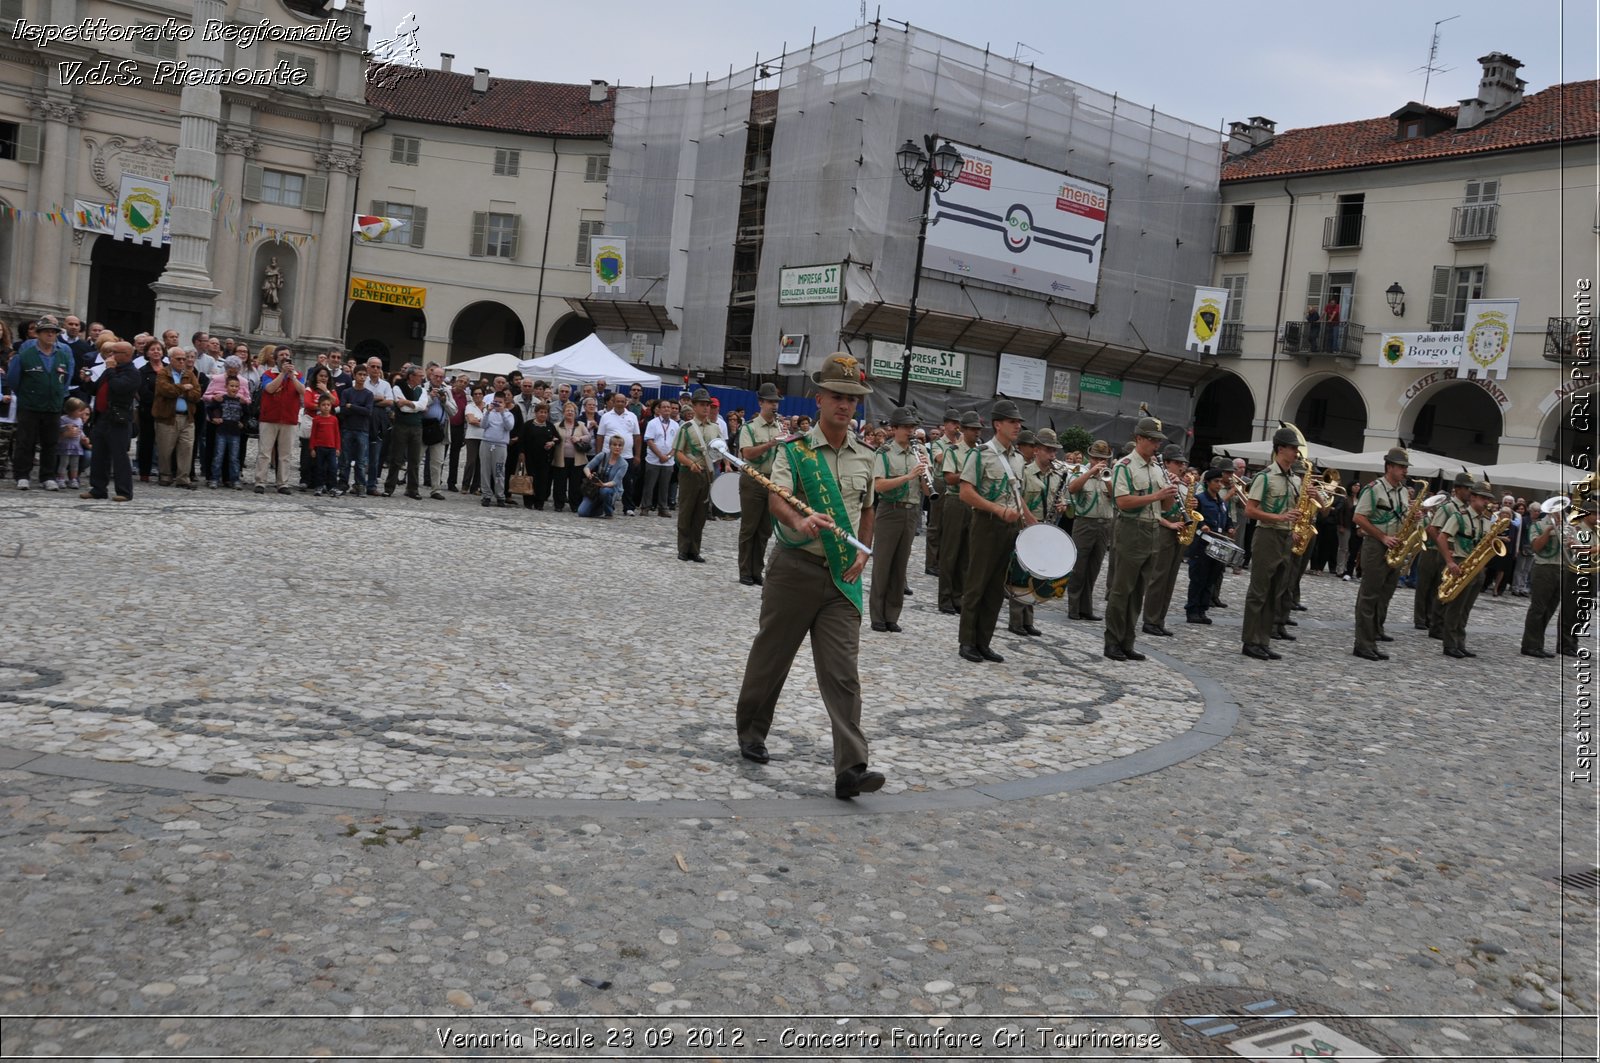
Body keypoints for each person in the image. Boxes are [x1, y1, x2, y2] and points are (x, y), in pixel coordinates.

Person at [731, 353, 883, 800]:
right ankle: (752, 730)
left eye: (852, 399)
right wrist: (799, 521)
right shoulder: (794, 450)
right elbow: (777, 498)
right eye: (837, 396)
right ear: (819, 399)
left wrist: (864, 553)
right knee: (772, 657)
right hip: (794, 570)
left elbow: (869, 509)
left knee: (843, 674)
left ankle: (852, 767)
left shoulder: (867, 457)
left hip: (841, 578)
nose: (845, 405)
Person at [957, 400, 1030, 663]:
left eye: (1018, 422)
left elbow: (1018, 496)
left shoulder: (1019, 459)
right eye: (1012, 421)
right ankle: (967, 641)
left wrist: (1031, 524)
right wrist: (997, 510)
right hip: (987, 524)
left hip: (1010, 527)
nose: (1017, 426)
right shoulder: (981, 454)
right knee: (977, 583)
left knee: (997, 587)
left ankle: (984, 641)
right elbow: (966, 493)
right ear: (997, 424)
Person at [1101, 417, 1178, 661]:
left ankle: (1127, 641)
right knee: (1122, 589)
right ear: (1139, 439)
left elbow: (1165, 507)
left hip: (1153, 528)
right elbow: (1123, 501)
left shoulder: (1157, 468)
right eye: (1153, 440)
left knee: (1138, 591)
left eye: (1159, 441)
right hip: (1131, 528)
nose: (1157, 445)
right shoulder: (1124, 466)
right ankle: (1112, 641)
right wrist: (1157, 495)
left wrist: (1171, 492)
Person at [1241, 427, 1305, 661]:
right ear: (1280, 449)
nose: (1297, 453)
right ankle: (1250, 641)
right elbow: (1250, 510)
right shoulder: (1265, 476)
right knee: (1259, 591)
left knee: (1275, 592)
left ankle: (1263, 640)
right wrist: (1279, 517)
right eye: (1293, 448)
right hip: (1267, 535)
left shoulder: (1295, 479)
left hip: (1286, 537)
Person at [868, 406, 929, 633]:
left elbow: (924, 488)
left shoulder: (919, 451)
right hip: (889, 510)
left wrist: (925, 473)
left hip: (911, 511)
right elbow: (879, 485)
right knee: (883, 564)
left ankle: (892, 615)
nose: (910, 431)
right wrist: (909, 475)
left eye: (912, 427)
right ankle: (877, 615)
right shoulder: (884, 453)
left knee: (900, 566)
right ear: (894, 429)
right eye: (905, 427)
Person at [1350, 447, 1412, 661]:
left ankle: (1373, 638)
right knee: (1369, 595)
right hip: (1376, 546)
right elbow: (1358, 517)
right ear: (1389, 467)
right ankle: (1363, 644)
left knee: (1384, 595)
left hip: (1396, 547)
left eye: (1405, 467)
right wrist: (1383, 537)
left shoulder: (1403, 491)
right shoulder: (1373, 488)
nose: (1405, 471)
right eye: (1401, 467)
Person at [1007, 428, 1062, 638]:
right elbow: (1017, 498)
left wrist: (1061, 506)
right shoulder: (1025, 472)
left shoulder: (1055, 476)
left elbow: (1053, 501)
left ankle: (1028, 619)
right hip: (1025, 527)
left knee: (1036, 574)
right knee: (1020, 574)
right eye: (1048, 450)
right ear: (1037, 450)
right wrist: (1030, 519)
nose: (1052, 455)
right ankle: (1016, 620)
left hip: (1044, 529)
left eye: (1054, 451)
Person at [7, 317, 71, 490]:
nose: (51, 334)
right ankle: (22, 475)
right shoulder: (24, 356)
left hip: (53, 405)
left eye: (54, 332)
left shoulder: (63, 355)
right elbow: (13, 380)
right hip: (30, 405)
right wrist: (28, 394)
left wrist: (57, 393)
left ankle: (47, 476)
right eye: (46, 331)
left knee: (50, 442)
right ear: (38, 334)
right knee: (25, 441)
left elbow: (66, 379)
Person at [1436, 481, 1499, 659]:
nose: (1487, 502)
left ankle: (1460, 642)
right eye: (1483, 498)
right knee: (1456, 606)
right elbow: (1442, 537)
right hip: (1461, 562)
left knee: (1466, 608)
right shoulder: (1459, 516)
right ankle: (1449, 644)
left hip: (1477, 565)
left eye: (1488, 499)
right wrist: (1449, 562)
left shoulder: (1486, 520)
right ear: (1473, 498)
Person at [1414, 471, 1475, 636]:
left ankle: (1434, 620)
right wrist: (1445, 548)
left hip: (1451, 552)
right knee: (1427, 587)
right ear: (1458, 489)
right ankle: (1424, 620)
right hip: (1438, 551)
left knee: (1439, 589)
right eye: (1467, 488)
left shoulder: (1465, 509)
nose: (1470, 492)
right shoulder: (1448, 507)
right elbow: (1432, 529)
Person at [79, 339, 139, 502]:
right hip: (101, 417)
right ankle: (98, 488)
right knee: (99, 454)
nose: (110, 356)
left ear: (126, 355)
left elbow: (118, 388)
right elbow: (96, 389)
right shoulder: (110, 370)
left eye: (114, 353)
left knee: (119, 455)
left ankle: (124, 491)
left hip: (118, 419)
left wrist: (111, 369)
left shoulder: (132, 372)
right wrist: (86, 381)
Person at [736, 383, 784, 585]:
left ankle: (757, 571)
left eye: (776, 402)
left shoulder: (779, 427)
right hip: (753, 478)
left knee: (765, 529)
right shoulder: (749, 427)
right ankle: (745, 570)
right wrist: (770, 444)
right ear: (761, 402)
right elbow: (747, 453)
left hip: (772, 480)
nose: (774, 406)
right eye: (771, 402)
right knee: (749, 528)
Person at [1066, 439, 1115, 621]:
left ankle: (1086, 608)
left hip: (1104, 525)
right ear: (1090, 457)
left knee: (1094, 568)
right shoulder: (1079, 472)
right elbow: (1072, 489)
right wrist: (1091, 472)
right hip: (1085, 523)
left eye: (1103, 458)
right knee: (1079, 567)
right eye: (1096, 458)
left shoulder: (1111, 474)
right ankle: (1073, 607)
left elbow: (1114, 497)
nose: (1100, 462)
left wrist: (1106, 478)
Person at [937, 411, 981, 614]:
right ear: (963, 430)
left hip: (974, 502)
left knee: (967, 554)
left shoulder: (982, 452)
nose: (976, 432)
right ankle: (945, 597)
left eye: (978, 429)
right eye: (972, 429)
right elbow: (948, 478)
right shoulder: (953, 451)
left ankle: (958, 596)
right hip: (955, 500)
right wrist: (970, 475)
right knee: (950, 552)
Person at [674, 389, 720, 562]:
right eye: (702, 404)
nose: (706, 408)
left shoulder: (715, 428)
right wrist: (690, 463)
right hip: (689, 473)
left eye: (708, 405)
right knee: (686, 510)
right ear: (693, 406)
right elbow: (677, 452)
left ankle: (695, 549)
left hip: (707, 472)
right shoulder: (686, 427)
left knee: (701, 513)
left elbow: (720, 450)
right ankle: (683, 548)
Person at [1520, 498, 1570, 657]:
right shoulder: (1538, 525)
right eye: (1556, 509)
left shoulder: (1566, 526)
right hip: (1544, 568)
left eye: (1561, 509)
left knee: (1549, 609)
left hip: (1561, 568)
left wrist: (1572, 541)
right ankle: (1529, 645)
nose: (1560, 512)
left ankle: (1538, 644)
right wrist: (1548, 531)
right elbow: (1535, 547)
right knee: (1538, 608)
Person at [1185, 468, 1233, 624]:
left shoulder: (1221, 502)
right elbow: (1194, 517)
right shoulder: (1199, 499)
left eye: (1220, 481)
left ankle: (1202, 609)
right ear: (1207, 482)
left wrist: (1230, 528)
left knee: (1210, 579)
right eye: (1216, 481)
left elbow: (1227, 518)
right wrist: (1203, 525)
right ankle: (1192, 610)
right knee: (1198, 578)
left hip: (1217, 544)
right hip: (1202, 543)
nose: (1219, 485)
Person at [152, 347, 202, 488]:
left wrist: (181, 391)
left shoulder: (190, 374)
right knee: (165, 448)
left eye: (183, 359)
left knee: (186, 448)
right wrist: (183, 388)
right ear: (170, 359)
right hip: (167, 417)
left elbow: (197, 394)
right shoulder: (163, 373)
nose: (182, 361)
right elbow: (165, 390)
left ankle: (183, 478)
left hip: (187, 417)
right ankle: (165, 475)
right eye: (178, 359)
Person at [254, 350, 303, 494]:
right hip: (269, 418)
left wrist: (292, 377)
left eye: (287, 355)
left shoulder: (298, 375)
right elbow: (269, 389)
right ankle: (260, 481)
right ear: (275, 358)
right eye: (282, 355)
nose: (285, 357)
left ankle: (283, 483)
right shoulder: (268, 374)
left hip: (289, 419)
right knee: (265, 452)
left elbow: (303, 392)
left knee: (285, 454)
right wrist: (282, 374)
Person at [924, 409, 959, 577]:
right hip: (940, 483)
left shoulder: (961, 443)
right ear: (945, 425)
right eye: (953, 423)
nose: (956, 427)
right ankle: (931, 563)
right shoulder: (939, 443)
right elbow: (940, 458)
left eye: (958, 424)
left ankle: (943, 561)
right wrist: (959, 450)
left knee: (949, 526)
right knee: (935, 525)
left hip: (955, 485)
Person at [384, 365, 426, 500]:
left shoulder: (422, 390)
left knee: (414, 460)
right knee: (396, 458)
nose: (422, 378)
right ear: (411, 376)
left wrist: (408, 403)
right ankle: (389, 487)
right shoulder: (398, 388)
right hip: (401, 425)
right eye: (420, 375)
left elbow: (423, 406)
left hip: (416, 427)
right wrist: (415, 405)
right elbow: (402, 409)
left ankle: (412, 489)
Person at [597, 390, 642, 515]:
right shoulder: (606, 417)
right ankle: (605, 505)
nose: (620, 404)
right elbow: (600, 436)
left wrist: (637, 455)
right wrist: (599, 454)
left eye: (622, 401)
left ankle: (628, 507)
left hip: (627, 455)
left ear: (626, 402)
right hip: (608, 454)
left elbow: (637, 437)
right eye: (617, 401)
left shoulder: (632, 416)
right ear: (613, 402)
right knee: (607, 480)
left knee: (628, 482)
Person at [337, 364, 375, 495]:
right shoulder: (347, 392)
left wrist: (351, 406)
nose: (362, 377)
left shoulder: (368, 394)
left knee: (361, 461)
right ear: (354, 375)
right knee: (345, 459)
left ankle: (360, 485)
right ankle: (343, 483)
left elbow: (368, 411)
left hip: (362, 429)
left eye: (364, 375)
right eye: (360, 374)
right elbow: (343, 410)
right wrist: (358, 408)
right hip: (348, 428)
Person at [421, 364, 457, 500]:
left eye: (441, 377)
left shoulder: (447, 391)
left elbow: (454, 411)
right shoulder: (423, 388)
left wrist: (444, 401)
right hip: (423, 427)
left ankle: (435, 489)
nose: (438, 378)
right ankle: (411, 487)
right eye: (436, 376)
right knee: (416, 459)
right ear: (430, 375)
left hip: (439, 429)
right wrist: (430, 397)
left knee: (437, 462)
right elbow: (419, 407)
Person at [206, 376, 249, 489]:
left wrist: (243, 423)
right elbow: (209, 408)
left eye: (236, 386)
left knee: (234, 457)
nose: (234, 388)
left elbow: (247, 413)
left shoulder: (241, 401)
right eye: (231, 386)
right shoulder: (221, 399)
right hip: (222, 431)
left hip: (235, 432)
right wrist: (213, 419)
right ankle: (214, 478)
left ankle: (234, 479)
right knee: (218, 455)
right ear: (226, 387)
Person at [642, 397, 679, 518]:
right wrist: (660, 455)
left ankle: (663, 508)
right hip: (653, 459)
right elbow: (649, 440)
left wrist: (668, 456)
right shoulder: (653, 423)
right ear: (659, 409)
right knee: (649, 485)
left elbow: (677, 443)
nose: (667, 409)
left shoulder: (675, 425)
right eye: (664, 407)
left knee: (665, 486)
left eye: (669, 407)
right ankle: (645, 507)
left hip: (668, 461)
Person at [577, 434, 630, 518]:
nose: (617, 447)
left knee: (605, 491)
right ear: (610, 446)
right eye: (614, 445)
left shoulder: (624, 464)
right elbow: (587, 467)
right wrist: (589, 475)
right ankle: (599, 508)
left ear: (622, 448)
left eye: (620, 445)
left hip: (611, 488)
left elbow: (615, 481)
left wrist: (603, 485)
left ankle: (609, 511)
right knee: (582, 513)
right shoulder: (602, 455)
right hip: (595, 488)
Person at [551, 401, 591, 512]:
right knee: (560, 483)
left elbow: (588, 437)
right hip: (561, 459)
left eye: (572, 411)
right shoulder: (557, 425)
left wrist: (579, 438)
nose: (570, 412)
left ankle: (575, 505)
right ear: (563, 412)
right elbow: (552, 437)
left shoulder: (581, 425)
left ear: (575, 413)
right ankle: (558, 504)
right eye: (567, 410)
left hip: (577, 460)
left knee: (575, 484)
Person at [478, 390, 514, 507]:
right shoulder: (489, 412)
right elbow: (483, 425)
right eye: (495, 402)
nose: (497, 404)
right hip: (486, 443)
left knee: (499, 471)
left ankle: (500, 495)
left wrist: (502, 412)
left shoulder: (508, 414)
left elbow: (509, 427)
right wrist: (488, 412)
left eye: (500, 402)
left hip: (500, 445)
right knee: (485, 471)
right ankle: (486, 495)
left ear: (504, 402)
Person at [309, 393, 342, 497]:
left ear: (331, 406)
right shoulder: (316, 419)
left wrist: (337, 448)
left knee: (333, 468)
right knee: (319, 468)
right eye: (323, 405)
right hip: (320, 447)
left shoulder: (334, 419)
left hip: (331, 448)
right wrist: (312, 448)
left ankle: (332, 487)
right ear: (319, 406)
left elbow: (337, 434)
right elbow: (313, 434)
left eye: (328, 405)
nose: (326, 407)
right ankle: (319, 486)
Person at [55, 397, 90, 489]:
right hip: (65, 445)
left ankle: (73, 479)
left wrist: (83, 437)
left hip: (76, 445)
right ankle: (60, 478)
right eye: (80, 411)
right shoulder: (63, 419)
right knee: (64, 462)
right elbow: (58, 428)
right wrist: (65, 427)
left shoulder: (79, 420)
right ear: (71, 411)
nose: (82, 413)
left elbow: (80, 430)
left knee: (75, 464)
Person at [461, 385, 486, 496]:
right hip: (472, 437)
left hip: (484, 437)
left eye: (480, 393)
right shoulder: (469, 406)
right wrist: (484, 422)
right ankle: (465, 485)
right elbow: (471, 420)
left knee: (481, 463)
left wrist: (479, 421)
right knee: (471, 461)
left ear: (483, 395)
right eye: (475, 394)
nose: (478, 396)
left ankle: (475, 486)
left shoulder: (488, 407)